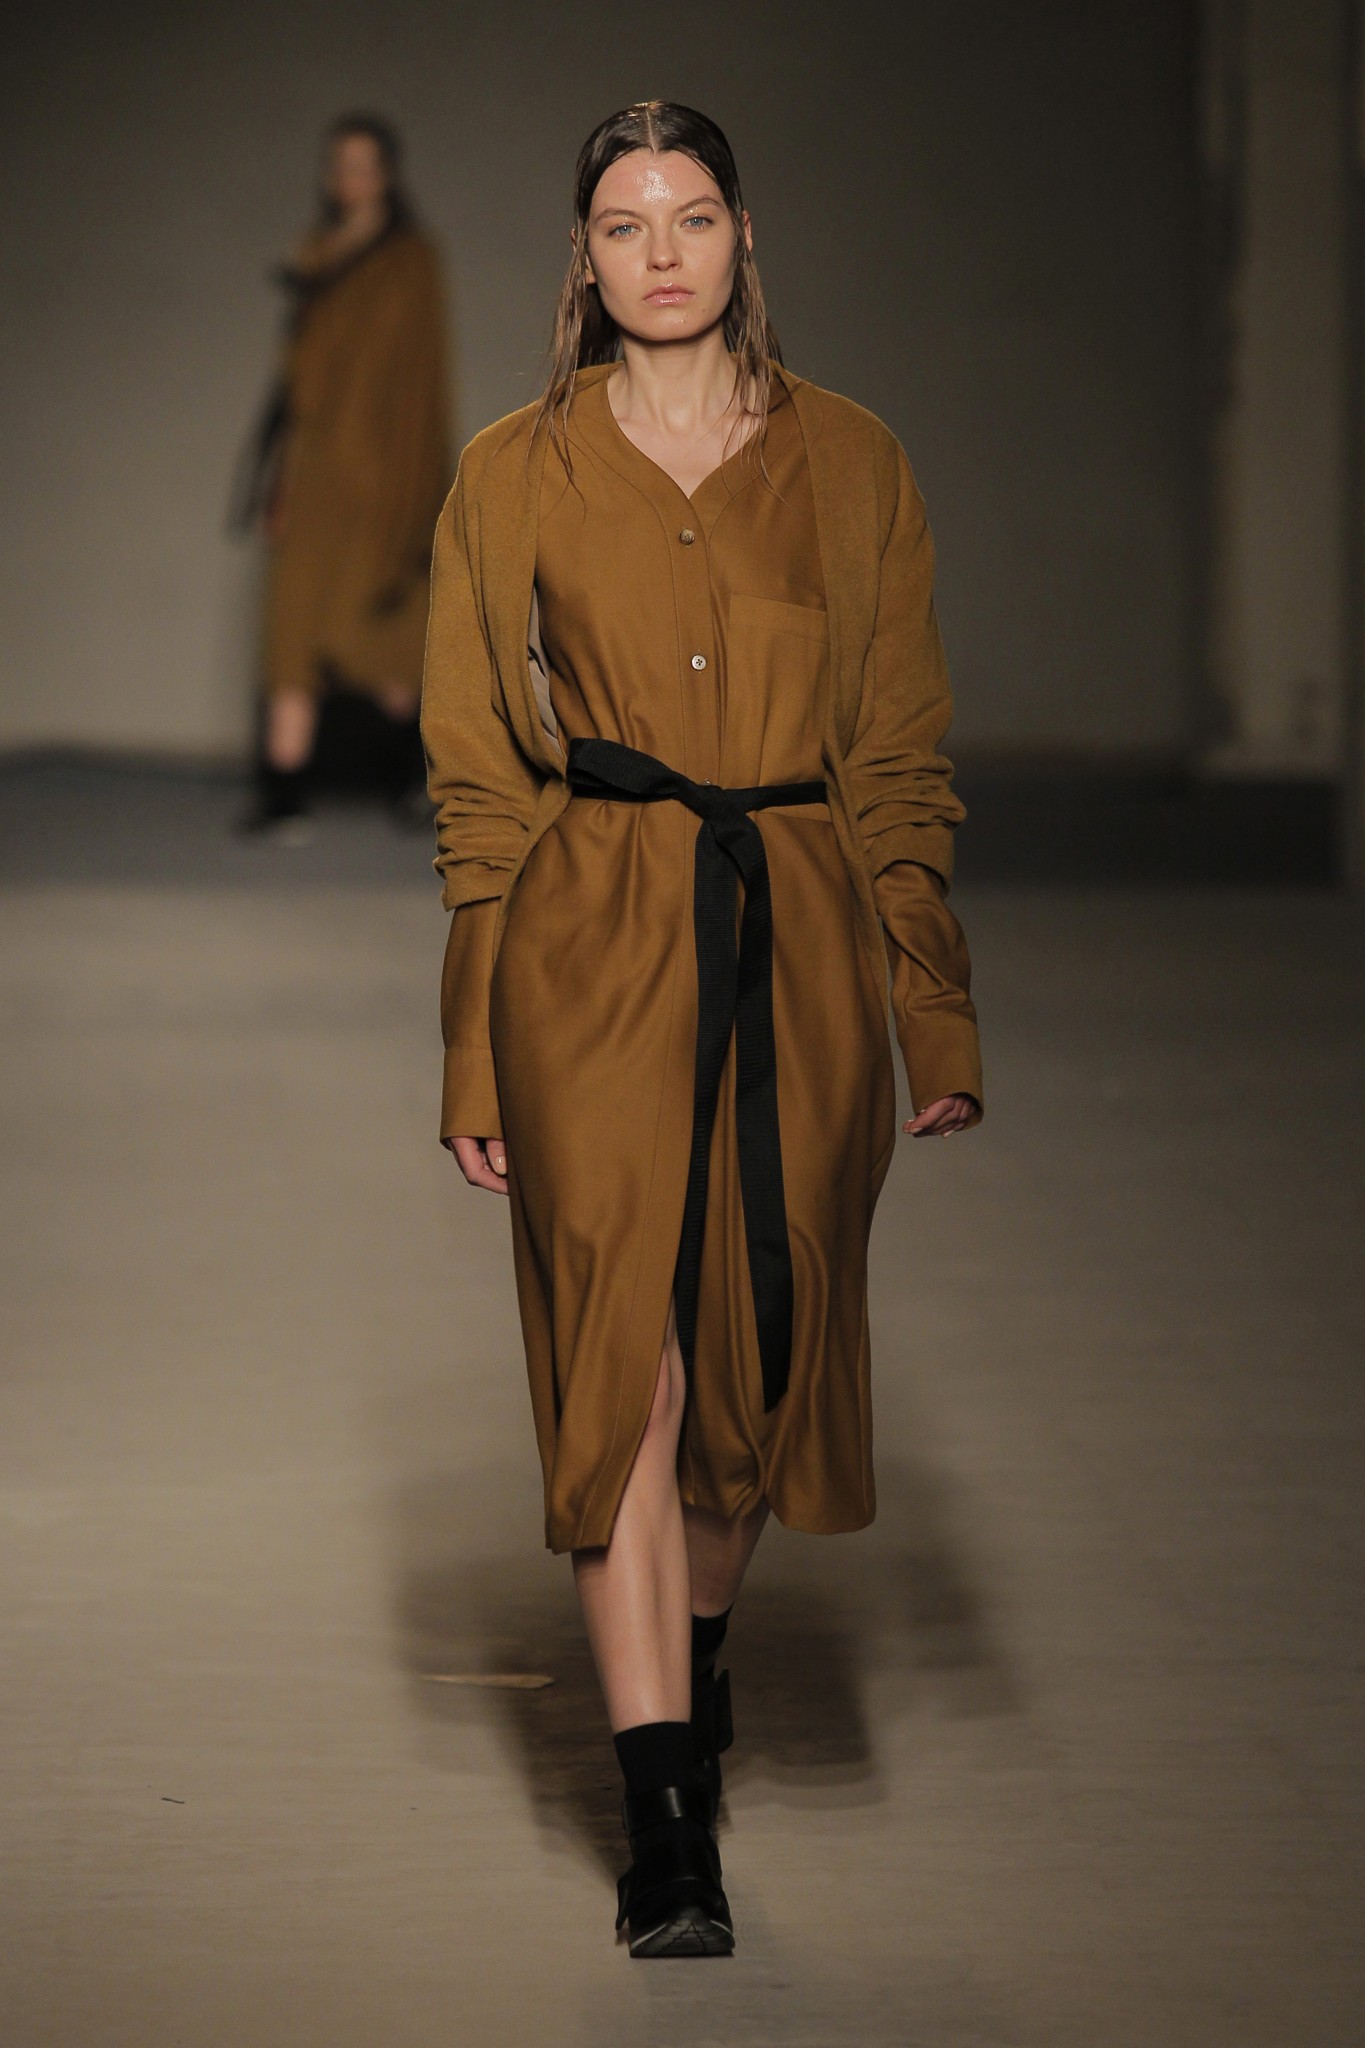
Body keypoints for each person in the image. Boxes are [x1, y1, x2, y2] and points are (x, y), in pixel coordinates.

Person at [421, 100, 983, 1957]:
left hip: (796, 939)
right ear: (579, 258)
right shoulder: (512, 470)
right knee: (623, 1369)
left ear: (745, 236)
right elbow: (477, 780)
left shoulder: (854, 459)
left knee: (751, 1387)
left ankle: (695, 1650)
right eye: (623, 222)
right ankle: (666, 1816)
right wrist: (472, 1040)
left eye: (692, 216)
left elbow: (897, 748)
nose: (660, 253)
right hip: (584, 943)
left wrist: (930, 1003)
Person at [237, 112, 451, 835]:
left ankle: (411, 782)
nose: (350, 179)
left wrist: (418, 493)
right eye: (339, 165)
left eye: (363, 165)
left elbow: (421, 383)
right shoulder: (315, 257)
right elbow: (298, 383)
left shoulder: (412, 261)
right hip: (317, 471)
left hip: (384, 472)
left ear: (387, 173)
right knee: (293, 628)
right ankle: (283, 788)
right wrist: (280, 483)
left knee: (386, 629)